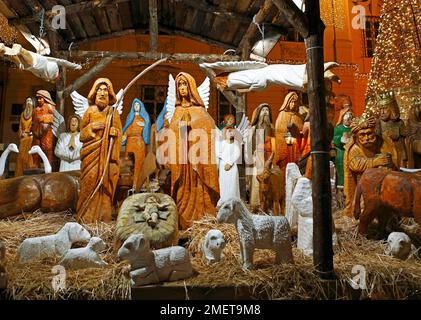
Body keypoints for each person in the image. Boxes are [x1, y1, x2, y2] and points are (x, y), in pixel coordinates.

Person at [168, 72, 220, 229]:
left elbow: (209, 125)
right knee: (183, 186)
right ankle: (184, 220)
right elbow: (172, 131)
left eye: (184, 84)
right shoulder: (177, 111)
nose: (182, 88)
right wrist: (179, 129)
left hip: (197, 160)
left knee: (199, 187)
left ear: (190, 87)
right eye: (179, 85)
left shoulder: (199, 110)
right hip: (183, 161)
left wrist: (193, 126)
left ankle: (202, 217)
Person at [76, 78, 123, 223]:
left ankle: (103, 218)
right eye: (99, 90)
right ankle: (85, 217)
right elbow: (81, 134)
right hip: (91, 155)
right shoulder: (90, 111)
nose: (102, 93)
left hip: (106, 157)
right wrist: (92, 127)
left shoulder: (112, 113)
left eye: (105, 90)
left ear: (110, 95)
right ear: (94, 94)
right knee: (88, 184)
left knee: (105, 188)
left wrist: (114, 133)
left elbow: (119, 133)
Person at [343, 116, 398, 217]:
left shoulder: (382, 143)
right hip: (363, 185)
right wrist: (375, 162)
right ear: (356, 136)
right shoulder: (354, 148)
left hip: (382, 184)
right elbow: (354, 164)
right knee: (365, 206)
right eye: (362, 135)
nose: (367, 138)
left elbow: (389, 158)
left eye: (369, 134)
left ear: (374, 132)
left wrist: (387, 164)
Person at [0, 43, 81, 83]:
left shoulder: (48, 78)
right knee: (20, 54)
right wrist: (75, 66)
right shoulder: (52, 72)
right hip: (36, 62)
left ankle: (4, 50)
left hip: (32, 66)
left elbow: (62, 62)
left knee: (16, 56)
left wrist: (75, 66)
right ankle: (13, 49)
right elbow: (63, 62)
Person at [248, 103, 276, 211]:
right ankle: (256, 205)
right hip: (257, 157)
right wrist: (251, 156)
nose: (265, 112)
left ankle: (268, 206)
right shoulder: (254, 128)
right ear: (259, 113)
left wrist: (273, 156)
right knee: (257, 181)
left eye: (267, 110)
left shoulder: (271, 128)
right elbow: (249, 144)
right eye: (263, 110)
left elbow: (274, 143)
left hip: (268, 158)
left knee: (269, 180)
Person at [122, 98, 151, 193]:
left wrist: (144, 124)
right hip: (130, 142)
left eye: (138, 105)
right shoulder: (130, 118)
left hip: (139, 142)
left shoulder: (143, 118)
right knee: (128, 163)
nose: (136, 107)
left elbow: (147, 129)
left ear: (141, 107)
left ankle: (138, 184)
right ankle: (129, 183)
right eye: (135, 105)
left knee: (139, 163)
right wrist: (124, 136)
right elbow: (127, 128)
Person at [375, 92, 408, 168]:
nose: (382, 112)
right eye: (380, 109)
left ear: (392, 108)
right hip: (386, 154)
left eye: (385, 108)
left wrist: (398, 133)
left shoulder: (399, 122)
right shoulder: (379, 122)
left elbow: (406, 137)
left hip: (400, 154)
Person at [31, 90, 55, 168]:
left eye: (40, 98)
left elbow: (53, 117)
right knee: (35, 148)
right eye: (38, 98)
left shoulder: (49, 107)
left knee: (47, 148)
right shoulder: (35, 110)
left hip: (46, 132)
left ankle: (48, 165)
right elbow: (33, 120)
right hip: (36, 132)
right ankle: (35, 164)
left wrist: (43, 118)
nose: (39, 100)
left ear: (45, 98)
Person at [218, 126, 242, 203]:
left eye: (232, 131)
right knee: (224, 183)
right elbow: (219, 153)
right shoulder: (222, 144)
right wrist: (226, 162)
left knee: (233, 184)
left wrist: (230, 162)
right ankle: (224, 200)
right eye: (229, 131)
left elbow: (237, 153)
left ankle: (233, 201)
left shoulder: (236, 143)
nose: (231, 133)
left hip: (232, 166)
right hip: (224, 167)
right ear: (225, 133)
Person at [15, 97, 35, 177]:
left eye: (30, 101)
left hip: (30, 137)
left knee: (29, 156)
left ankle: (29, 175)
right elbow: (20, 126)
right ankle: (19, 174)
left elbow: (34, 124)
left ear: (33, 103)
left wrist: (30, 132)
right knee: (21, 157)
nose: (29, 102)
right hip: (23, 137)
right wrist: (21, 133)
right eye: (27, 101)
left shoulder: (34, 113)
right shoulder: (22, 113)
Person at [333, 111, 353, 187]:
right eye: (346, 119)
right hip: (341, 152)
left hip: (351, 152)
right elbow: (335, 138)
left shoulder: (353, 128)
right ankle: (341, 184)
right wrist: (341, 138)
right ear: (343, 120)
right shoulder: (338, 128)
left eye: (350, 119)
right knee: (341, 169)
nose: (348, 121)